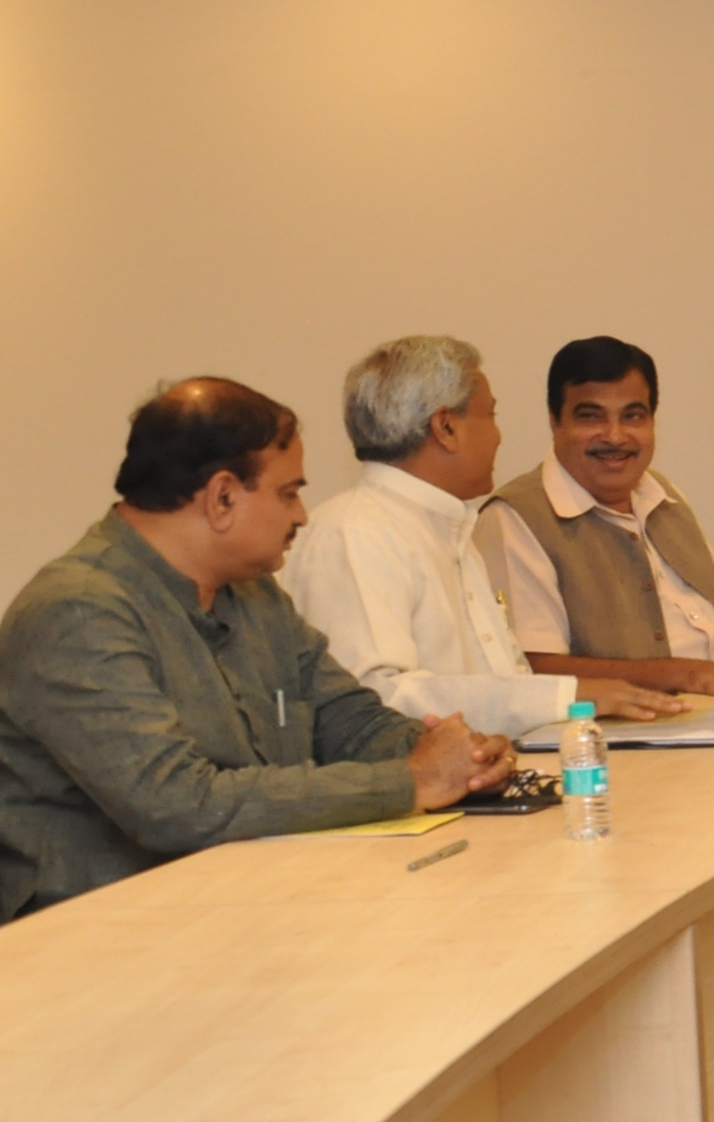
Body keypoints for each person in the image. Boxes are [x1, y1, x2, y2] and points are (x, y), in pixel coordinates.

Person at [0, 379, 514, 922]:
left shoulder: (253, 593)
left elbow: (347, 720)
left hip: (246, 905)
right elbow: (176, 805)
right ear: (222, 497)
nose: (302, 517)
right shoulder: (78, 611)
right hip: (95, 940)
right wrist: (413, 780)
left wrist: (463, 758)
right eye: (288, 493)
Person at [288, 337, 680, 738]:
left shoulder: (447, 528)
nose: (498, 437)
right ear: (445, 427)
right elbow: (374, 701)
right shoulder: (356, 532)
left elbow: (505, 677)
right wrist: (569, 696)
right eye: (490, 415)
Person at [484, 336, 714, 695]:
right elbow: (534, 670)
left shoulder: (660, 493)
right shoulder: (516, 519)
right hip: (649, 734)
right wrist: (685, 674)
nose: (615, 436)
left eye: (633, 416)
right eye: (591, 417)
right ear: (555, 421)